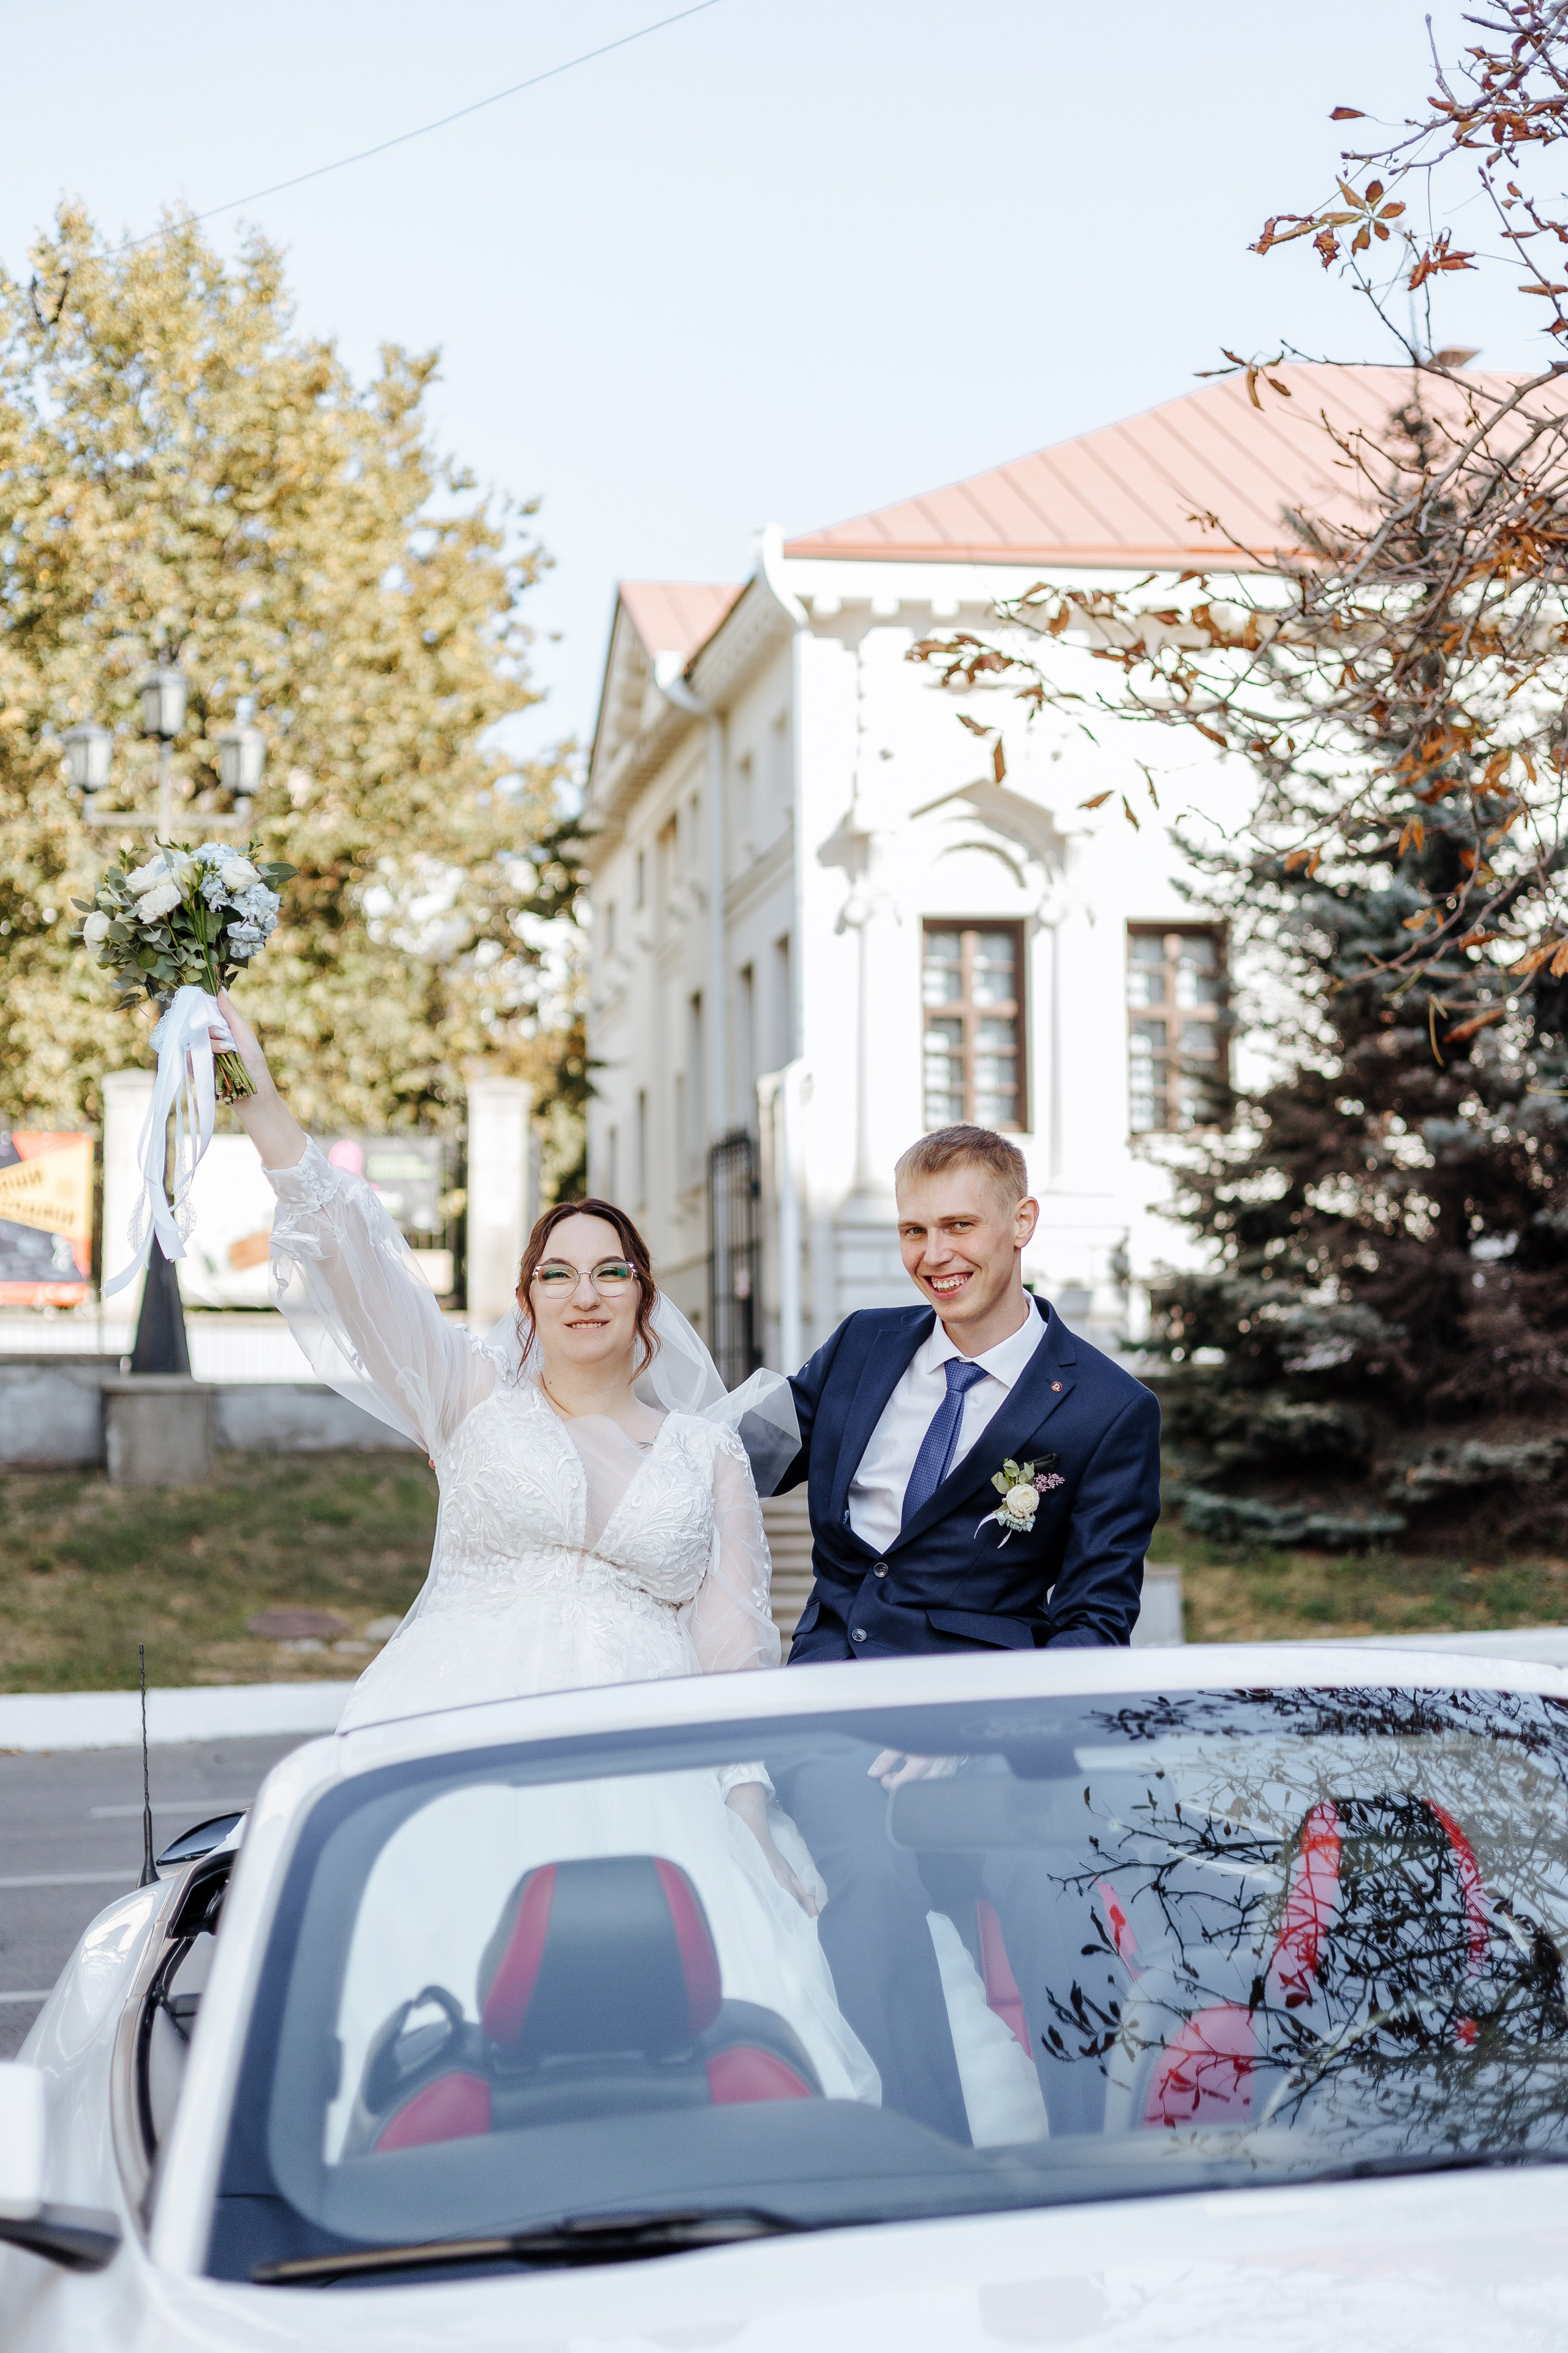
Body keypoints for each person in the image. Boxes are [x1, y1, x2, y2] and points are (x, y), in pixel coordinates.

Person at [210, 991, 876, 2107]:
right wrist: (259, 1099)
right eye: (557, 1272)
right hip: (454, 1726)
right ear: (525, 1299)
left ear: (644, 1297)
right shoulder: (466, 1396)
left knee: (691, 2022)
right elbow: (357, 1259)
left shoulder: (705, 1451)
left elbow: (732, 1646)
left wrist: (749, 1807)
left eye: (610, 1270)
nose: (584, 1292)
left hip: (649, 1758)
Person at [771, 1122, 1162, 2138]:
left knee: (1054, 1887)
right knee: (868, 1881)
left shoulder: (1107, 1408)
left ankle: (1089, 2158)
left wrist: (974, 1725)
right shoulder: (861, 1347)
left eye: (958, 1226)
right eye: (914, 1230)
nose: (934, 1254)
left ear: (1020, 1222)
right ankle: (928, 2156)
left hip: (994, 1724)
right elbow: (734, 1457)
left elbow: (1095, 1622)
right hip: (836, 1704)